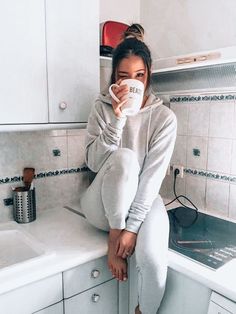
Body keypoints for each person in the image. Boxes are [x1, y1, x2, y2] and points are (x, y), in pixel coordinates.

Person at [80, 23, 177, 314]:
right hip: (101, 205)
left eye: (140, 76)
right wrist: (118, 119)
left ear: (148, 76)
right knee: (124, 159)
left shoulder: (164, 118)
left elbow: (152, 179)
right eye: (124, 77)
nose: (132, 84)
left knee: (153, 259)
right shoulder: (101, 107)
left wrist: (133, 229)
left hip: (139, 198)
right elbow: (94, 163)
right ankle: (114, 238)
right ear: (114, 78)